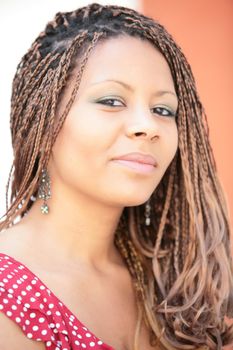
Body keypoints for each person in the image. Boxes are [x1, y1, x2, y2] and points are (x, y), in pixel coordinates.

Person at [0, 2, 232, 350]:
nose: (147, 126)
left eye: (163, 109)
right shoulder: (9, 293)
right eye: (111, 101)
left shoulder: (183, 284)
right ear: (42, 124)